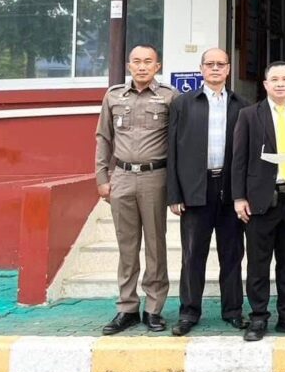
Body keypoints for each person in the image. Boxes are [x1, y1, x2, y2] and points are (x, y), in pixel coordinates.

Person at [231, 61, 285, 342]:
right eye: (275, 79)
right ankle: (258, 316)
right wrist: (239, 197)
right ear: (265, 84)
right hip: (260, 200)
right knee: (258, 263)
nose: (280, 84)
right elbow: (239, 159)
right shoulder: (249, 115)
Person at [94, 44, 179, 335]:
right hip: (121, 177)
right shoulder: (113, 95)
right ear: (129, 65)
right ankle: (127, 307)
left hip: (156, 177)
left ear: (157, 66)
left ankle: (153, 308)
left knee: (155, 245)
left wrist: (176, 186)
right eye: (137, 61)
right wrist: (102, 177)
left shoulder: (169, 96)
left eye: (148, 62)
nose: (142, 66)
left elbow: (178, 141)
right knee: (126, 246)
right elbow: (103, 137)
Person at [167, 48, 249, 336]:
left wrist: (244, 194)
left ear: (228, 69)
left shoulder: (242, 105)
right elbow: (172, 150)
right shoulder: (183, 103)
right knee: (192, 255)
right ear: (201, 69)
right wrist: (174, 194)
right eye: (210, 64)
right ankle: (189, 312)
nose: (215, 68)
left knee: (232, 253)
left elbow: (248, 153)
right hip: (194, 189)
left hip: (230, 190)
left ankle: (233, 310)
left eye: (220, 64)